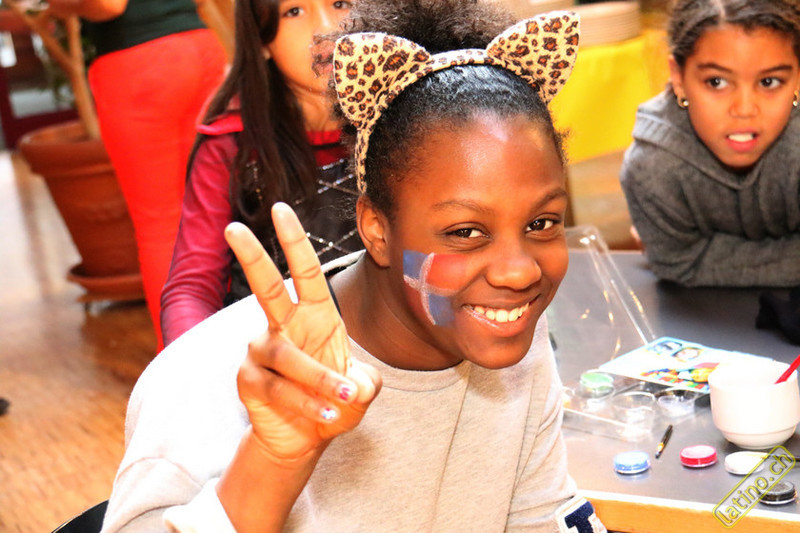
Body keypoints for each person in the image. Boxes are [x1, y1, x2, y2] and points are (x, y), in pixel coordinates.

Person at [101, 2, 606, 531]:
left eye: (542, 223)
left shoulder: (504, 330)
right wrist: (272, 463)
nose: (519, 272)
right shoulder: (207, 384)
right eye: (465, 232)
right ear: (377, 230)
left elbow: (540, 516)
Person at [159, 0, 361, 346]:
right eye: (294, 11)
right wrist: (198, 366)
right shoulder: (231, 146)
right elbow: (192, 289)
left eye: (339, 3)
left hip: (399, 354)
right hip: (278, 355)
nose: (327, 29)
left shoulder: (411, 116)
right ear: (262, 41)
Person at [46, 0, 228, 349]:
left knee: (160, 227)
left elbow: (108, 4)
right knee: (214, 213)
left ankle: (180, 364)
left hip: (141, 62)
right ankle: (236, 352)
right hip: (201, 47)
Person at [619, 0, 800, 288]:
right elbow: (678, 263)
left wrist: (705, 254)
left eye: (769, 82)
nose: (744, 109)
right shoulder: (653, 167)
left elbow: (682, 260)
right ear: (678, 78)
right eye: (716, 82)